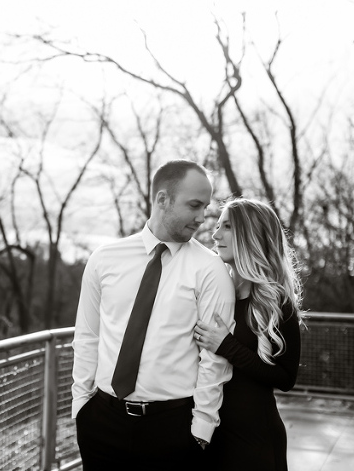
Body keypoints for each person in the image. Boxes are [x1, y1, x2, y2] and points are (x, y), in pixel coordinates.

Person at [71, 159, 236, 470]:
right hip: (102, 422)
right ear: (163, 200)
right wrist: (81, 405)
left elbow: (215, 359)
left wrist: (201, 429)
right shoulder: (104, 259)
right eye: (194, 205)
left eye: (205, 207)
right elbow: (87, 336)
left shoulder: (210, 269)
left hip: (172, 430)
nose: (203, 217)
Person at [194, 197, 304, 471]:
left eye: (227, 226)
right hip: (210, 433)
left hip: (253, 441)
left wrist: (228, 346)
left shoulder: (275, 301)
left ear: (251, 235)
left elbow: (285, 378)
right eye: (217, 225)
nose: (215, 234)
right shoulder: (216, 293)